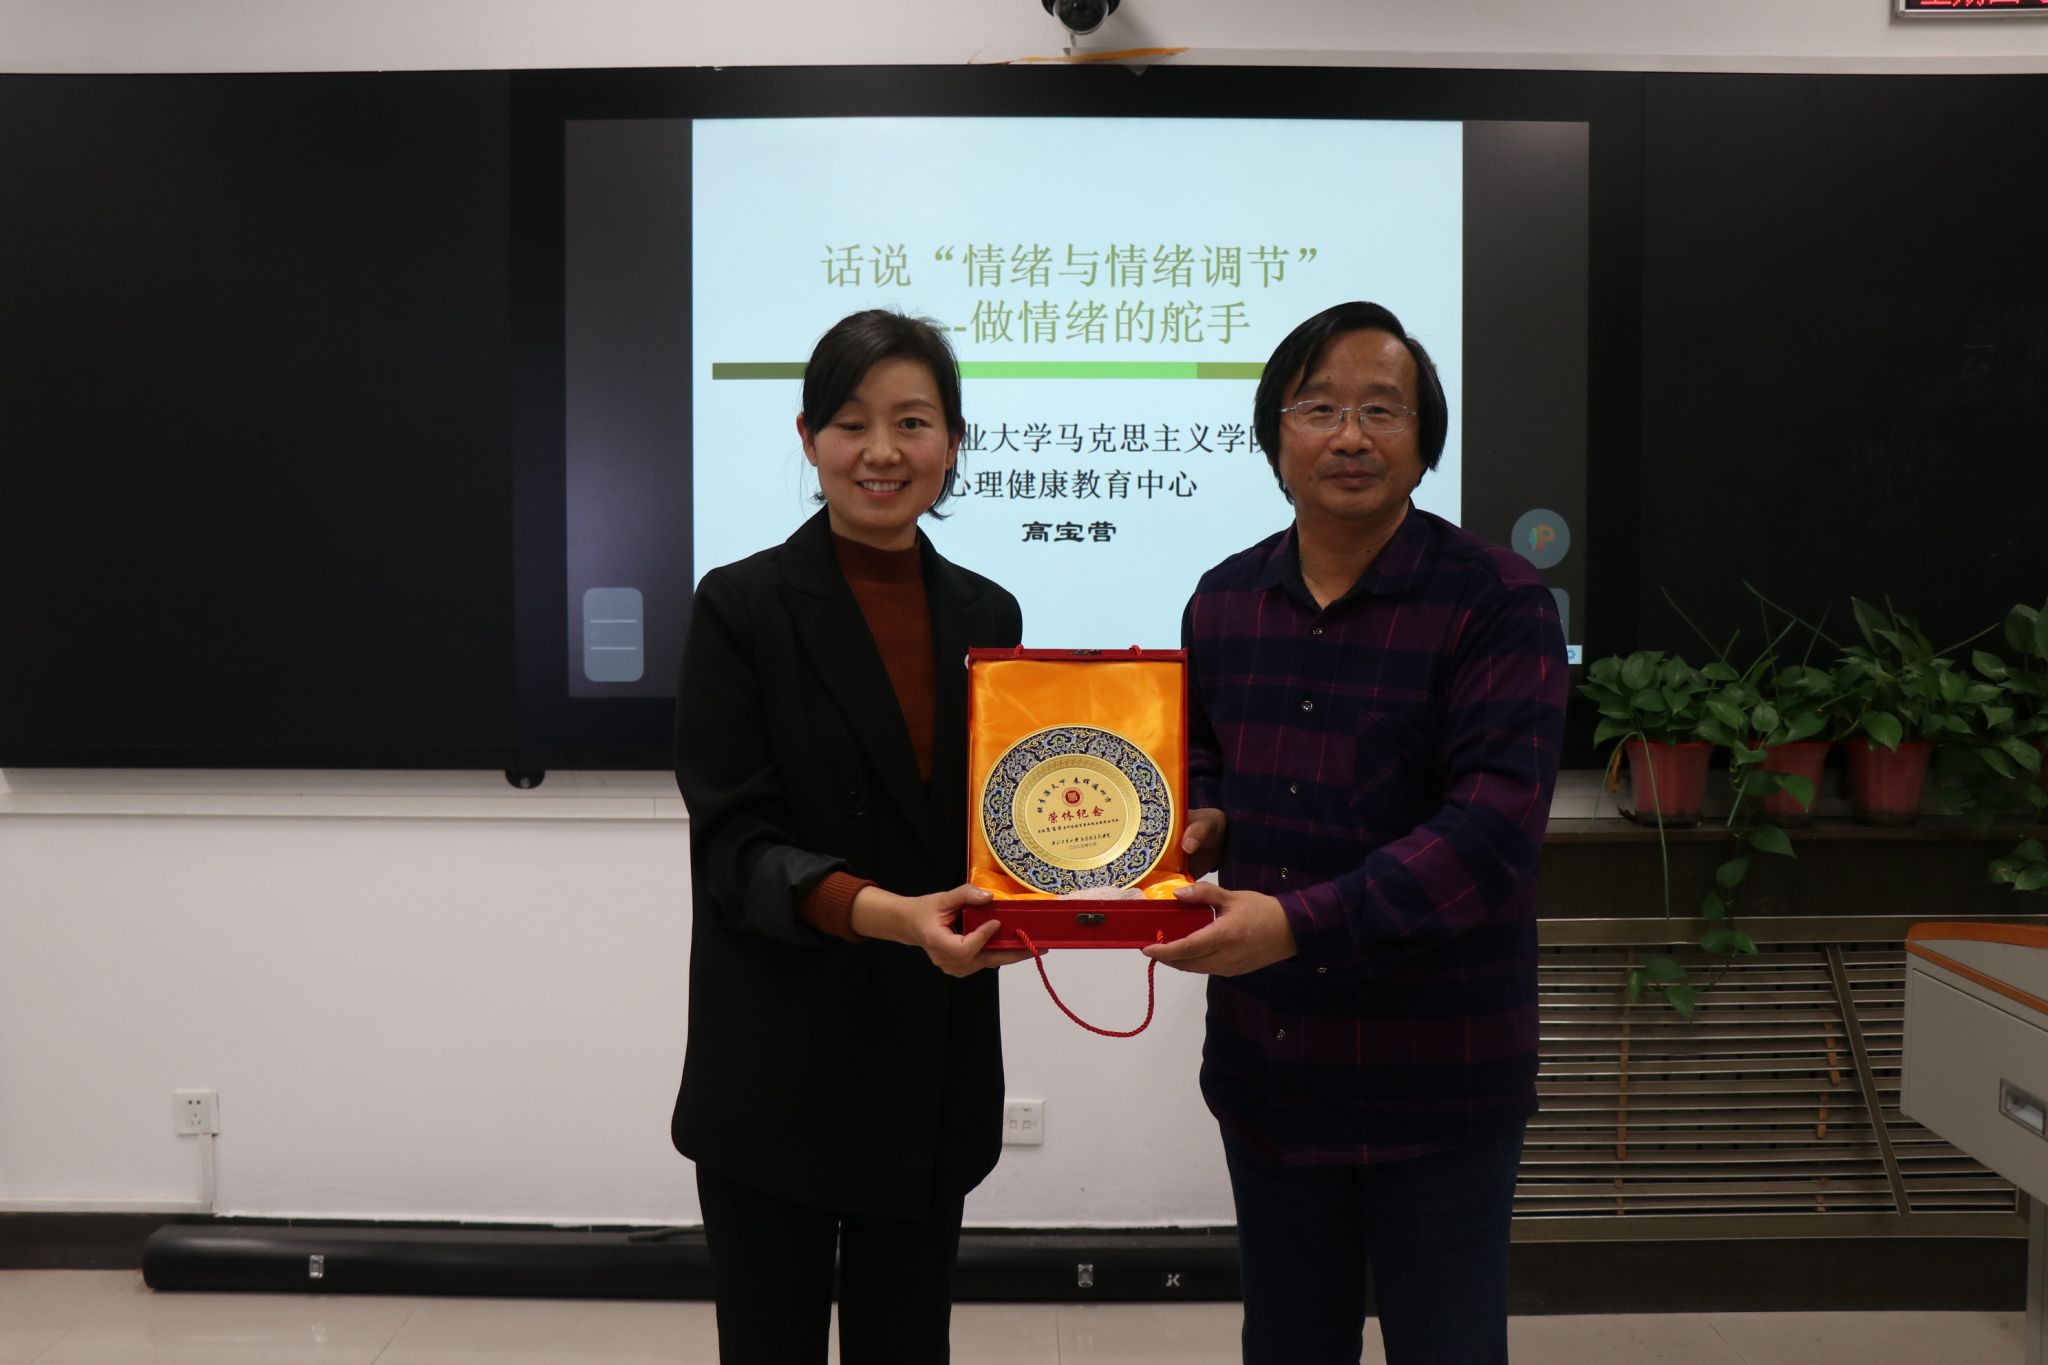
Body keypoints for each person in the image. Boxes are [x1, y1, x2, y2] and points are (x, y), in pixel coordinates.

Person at [1145, 301, 1569, 1365]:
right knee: (1288, 1344)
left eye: (1382, 410)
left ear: (1423, 443)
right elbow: (1201, 751)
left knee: (1446, 1345)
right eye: (1319, 408)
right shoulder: (1222, 601)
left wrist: (1295, 924)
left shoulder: (1498, 604)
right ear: (1274, 434)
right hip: (1269, 1067)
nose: (1349, 436)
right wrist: (1200, 815)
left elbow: (1489, 833)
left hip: (1436, 1075)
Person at [670, 309, 1026, 1365]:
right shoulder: (739, 607)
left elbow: (1006, 818)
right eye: (851, 422)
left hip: (929, 1056)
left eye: (912, 421)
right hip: (777, 1055)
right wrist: (892, 916)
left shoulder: (990, 614)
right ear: (808, 438)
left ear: (952, 440)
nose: (882, 451)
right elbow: (736, 847)